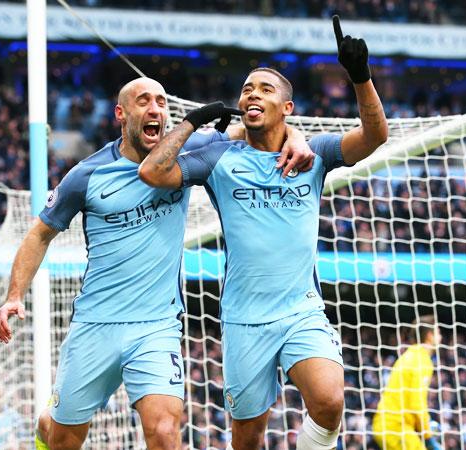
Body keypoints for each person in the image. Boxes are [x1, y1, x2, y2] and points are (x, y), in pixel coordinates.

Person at [0, 77, 314, 450]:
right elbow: (39, 234)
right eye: (143, 101)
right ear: (121, 114)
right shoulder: (87, 175)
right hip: (97, 323)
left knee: (163, 432)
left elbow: (261, 131)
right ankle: (48, 425)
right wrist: (14, 294)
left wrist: (296, 136)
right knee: (61, 438)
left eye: (161, 102)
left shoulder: (189, 150)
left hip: (156, 327)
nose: (155, 109)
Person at [138, 16, 388, 450]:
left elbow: (374, 136)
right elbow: (152, 171)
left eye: (265, 89)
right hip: (243, 319)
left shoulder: (316, 154)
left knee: (329, 402)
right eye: (247, 89)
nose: (252, 93)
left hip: (300, 311)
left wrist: (360, 78)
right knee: (248, 437)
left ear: (287, 108)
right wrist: (193, 121)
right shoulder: (219, 158)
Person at [372, 316, 442, 450]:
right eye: (438, 333)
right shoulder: (422, 360)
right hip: (396, 427)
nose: (441, 337)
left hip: (390, 425)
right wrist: (427, 437)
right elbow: (417, 403)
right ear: (429, 335)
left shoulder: (410, 355)